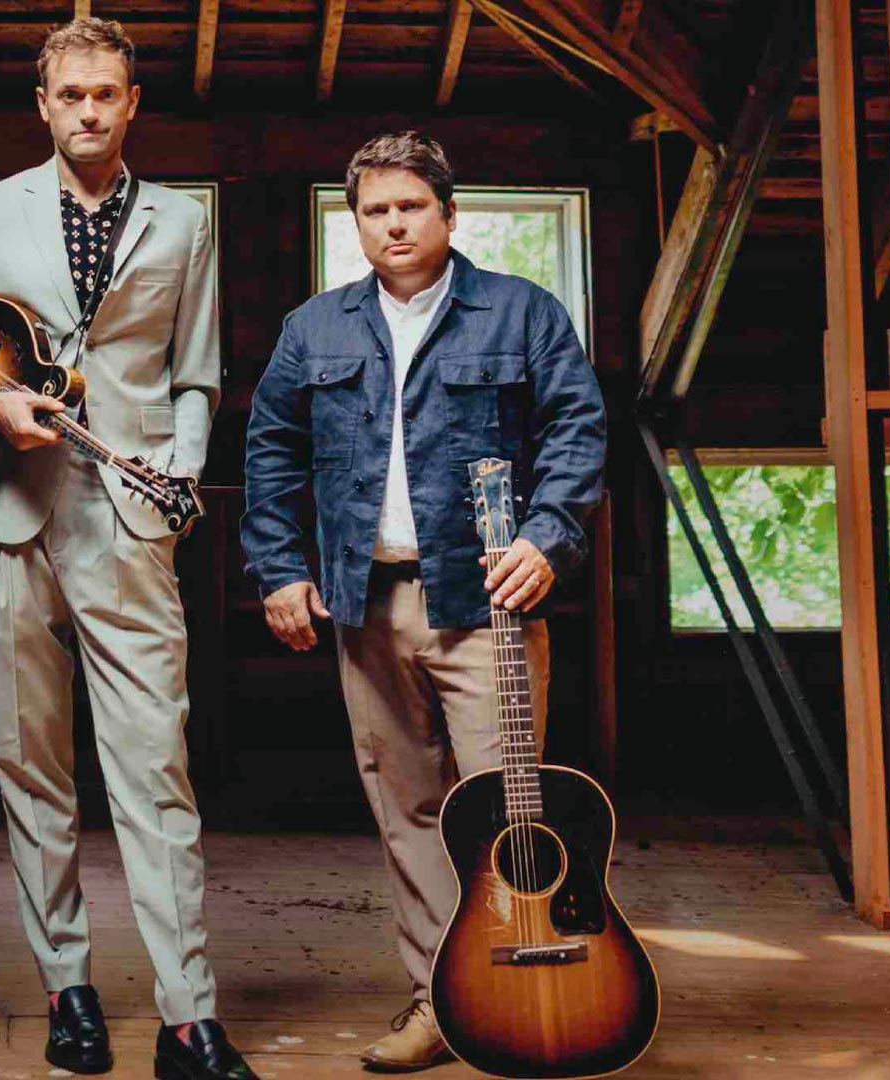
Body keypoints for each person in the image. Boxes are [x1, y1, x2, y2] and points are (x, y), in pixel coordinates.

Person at [0, 18, 257, 1080]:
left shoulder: (186, 223)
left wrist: (180, 467)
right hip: (7, 513)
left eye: (107, 94)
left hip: (132, 524)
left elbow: (197, 374)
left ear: (132, 104)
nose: (89, 109)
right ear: (43, 105)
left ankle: (189, 1017)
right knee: (31, 767)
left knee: (156, 770)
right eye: (71, 95)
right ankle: (70, 992)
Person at [240, 131, 606, 1073]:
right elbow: (269, 452)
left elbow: (577, 428)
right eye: (374, 210)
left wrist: (548, 539)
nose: (393, 223)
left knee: (503, 809)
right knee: (405, 809)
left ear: (449, 213)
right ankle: (441, 1000)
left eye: (411, 206)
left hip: (486, 600)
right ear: (354, 224)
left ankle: (529, 990)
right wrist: (280, 569)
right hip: (364, 604)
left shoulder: (522, 313)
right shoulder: (313, 328)